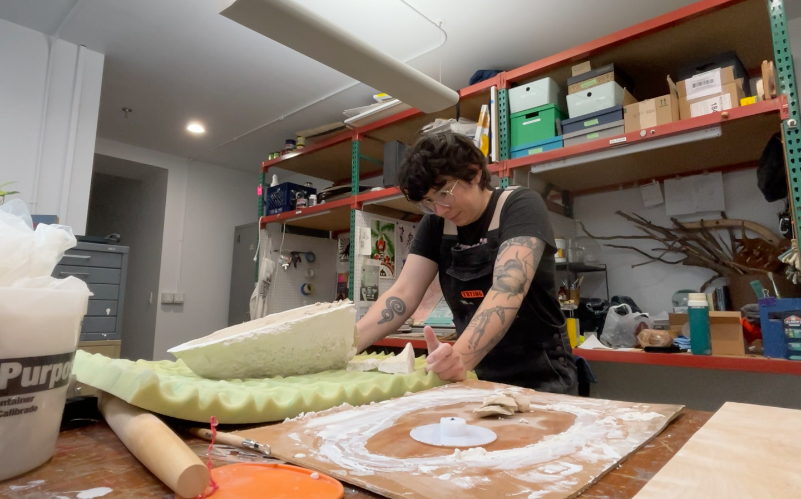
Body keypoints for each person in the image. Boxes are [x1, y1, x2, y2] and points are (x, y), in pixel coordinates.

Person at [355, 132, 577, 393]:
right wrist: (347, 343)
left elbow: (508, 289)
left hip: (541, 374)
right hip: (474, 375)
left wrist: (460, 356)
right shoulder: (436, 224)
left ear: (474, 174)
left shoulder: (520, 205)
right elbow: (404, 293)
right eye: (428, 202)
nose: (439, 209)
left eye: (443, 193)